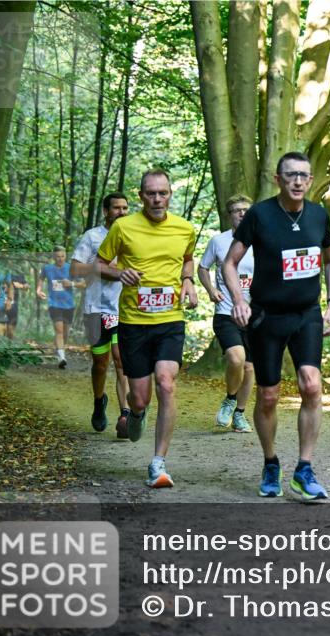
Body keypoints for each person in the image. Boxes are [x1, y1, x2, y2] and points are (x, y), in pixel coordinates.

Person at [223, 152, 330, 501]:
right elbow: (229, 264)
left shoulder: (318, 215)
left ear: (311, 179)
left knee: (311, 385)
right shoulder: (260, 215)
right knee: (269, 395)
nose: (298, 181)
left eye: (304, 175)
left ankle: (304, 469)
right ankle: (271, 462)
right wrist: (239, 300)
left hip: (307, 314)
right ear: (278, 179)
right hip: (267, 316)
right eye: (290, 175)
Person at [95, 169, 198, 488]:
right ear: (141, 196)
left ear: (170, 195)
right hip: (133, 322)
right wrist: (119, 273)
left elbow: (188, 258)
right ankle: (137, 413)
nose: (157, 199)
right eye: (151, 193)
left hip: (170, 319)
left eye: (162, 193)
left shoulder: (184, 228)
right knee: (139, 398)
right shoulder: (123, 227)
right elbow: (99, 264)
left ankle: (158, 462)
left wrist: (188, 280)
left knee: (166, 383)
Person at [72, 192, 132, 437]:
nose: (121, 212)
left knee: (121, 360)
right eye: (116, 208)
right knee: (100, 363)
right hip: (96, 308)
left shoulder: (133, 235)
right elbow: (75, 269)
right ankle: (99, 401)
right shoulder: (92, 236)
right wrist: (102, 268)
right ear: (106, 211)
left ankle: (125, 415)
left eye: (125, 208)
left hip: (124, 309)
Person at [199, 194, 255, 433]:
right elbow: (203, 267)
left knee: (250, 368)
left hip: (255, 314)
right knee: (236, 358)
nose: (242, 213)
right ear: (229, 215)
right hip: (226, 312)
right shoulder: (219, 241)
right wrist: (211, 290)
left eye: (246, 210)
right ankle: (230, 399)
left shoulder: (262, 240)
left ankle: (240, 414)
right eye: (237, 210)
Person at [37, 246, 79, 369]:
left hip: (69, 305)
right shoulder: (47, 268)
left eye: (62, 256)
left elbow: (84, 283)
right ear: (53, 257)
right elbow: (41, 279)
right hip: (54, 304)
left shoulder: (71, 268)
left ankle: (60, 350)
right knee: (59, 330)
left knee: (65, 333)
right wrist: (39, 290)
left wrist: (71, 283)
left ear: (65, 256)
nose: (60, 259)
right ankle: (61, 357)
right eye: (57, 256)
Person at [5, 268, 29, 340]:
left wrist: (21, 286)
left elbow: (26, 286)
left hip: (13, 302)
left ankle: (9, 343)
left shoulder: (17, 271)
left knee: (11, 325)